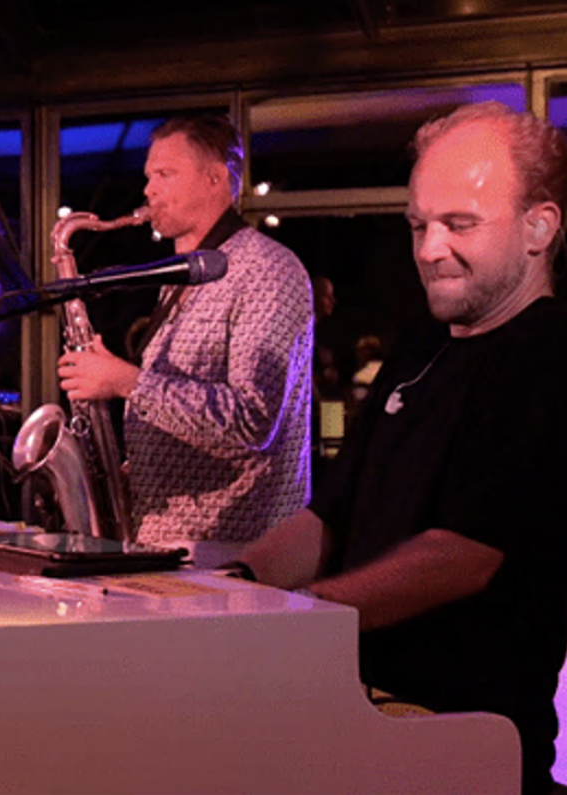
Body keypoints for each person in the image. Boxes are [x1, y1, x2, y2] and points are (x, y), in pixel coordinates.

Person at [224, 102, 567, 795]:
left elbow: (463, 555)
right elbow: (330, 516)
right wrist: (231, 586)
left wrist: (298, 618)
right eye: (418, 225)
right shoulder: (423, 345)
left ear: (539, 227)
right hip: (361, 723)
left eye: (459, 224)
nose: (430, 249)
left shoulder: (549, 352)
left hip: (467, 744)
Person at [58, 114, 313, 566]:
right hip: (173, 543)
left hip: (234, 549)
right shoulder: (181, 276)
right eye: (148, 176)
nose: (148, 190)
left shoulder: (267, 270)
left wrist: (125, 382)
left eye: (165, 174)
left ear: (216, 178)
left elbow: (253, 420)